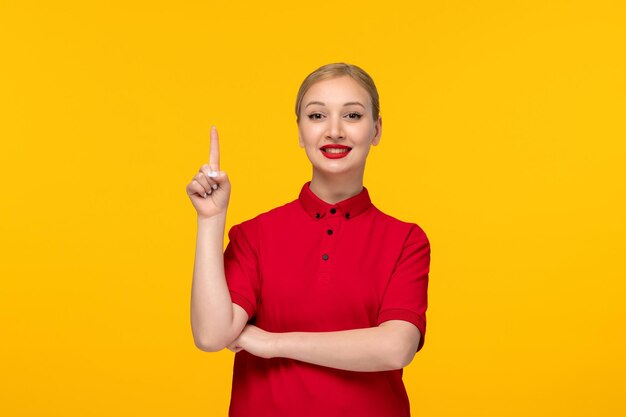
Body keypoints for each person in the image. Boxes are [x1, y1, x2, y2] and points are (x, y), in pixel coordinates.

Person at [187, 62, 431, 417]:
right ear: (300, 132)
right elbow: (211, 335)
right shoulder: (254, 235)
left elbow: (395, 347)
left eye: (352, 115)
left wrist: (271, 343)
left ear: (376, 129)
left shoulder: (405, 240)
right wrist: (211, 220)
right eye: (317, 116)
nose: (334, 131)